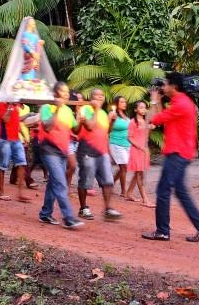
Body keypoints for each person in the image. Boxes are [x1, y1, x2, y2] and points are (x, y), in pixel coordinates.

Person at [142, 72, 199, 242]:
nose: (163, 87)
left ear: (174, 86)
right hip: (182, 153)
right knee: (180, 192)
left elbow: (152, 119)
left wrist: (153, 101)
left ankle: (162, 231)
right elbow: (162, 119)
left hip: (176, 153)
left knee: (163, 191)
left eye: (165, 84)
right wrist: (158, 101)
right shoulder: (181, 102)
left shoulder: (180, 104)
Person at [37, 82, 84, 229]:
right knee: (60, 183)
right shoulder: (46, 107)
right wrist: (56, 109)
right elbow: (47, 126)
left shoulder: (68, 111)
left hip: (62, 151)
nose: (66, 94)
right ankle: (68, 217)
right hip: (49, 150)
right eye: (63, 92)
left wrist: (80, 120)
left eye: (67, 92)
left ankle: (45, 214)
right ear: (56, 93)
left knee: (54, 183)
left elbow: (75, 130)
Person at [76, 89, 122, 221]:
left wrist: (112, 121)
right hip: (87, 151)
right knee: (85, 181)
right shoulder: (85, 109)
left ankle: (108, 209)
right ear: (91, 98)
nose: (100, 97)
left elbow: (106, 131)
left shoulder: (102, 113)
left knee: (108, 181)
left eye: (102, 95)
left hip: (102, 152)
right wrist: (96, 109)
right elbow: (90, 126)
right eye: (97, 95)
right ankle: (83, 208)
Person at [0, 102, 30, 202]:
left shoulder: (16, 106)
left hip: (16, 139)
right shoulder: (1, 104)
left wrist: (23, 135)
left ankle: (20, 194)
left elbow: (16, 121)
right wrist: (10, 107)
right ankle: (1, 193)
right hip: (5, 139)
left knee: (22, 164)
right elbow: (5, 119)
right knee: (2, 166)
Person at [126, 101, 154, 207]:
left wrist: (150, 128)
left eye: (145, 108)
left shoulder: (145, 121)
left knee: (137, 173)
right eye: (141, 108)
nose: (143, 109)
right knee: (139, 174)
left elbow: (146, 137)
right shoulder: (133, 122)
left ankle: (129, 193)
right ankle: (145, 199)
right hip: (137, 150)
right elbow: (129, 138)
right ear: (135, 110)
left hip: (143, 150)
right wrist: (141, 147)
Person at [109, 96, 131, 197]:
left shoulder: (125, 115)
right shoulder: (113, 115)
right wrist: (112, 120)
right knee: (124, 166)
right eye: (122, 102)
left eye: (125, 102)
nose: (124, 103)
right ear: (116, 104)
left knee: (123, 167)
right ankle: (123, 191)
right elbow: (108, 128)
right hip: (116, 143)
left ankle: (111, 183)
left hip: (127, 144)